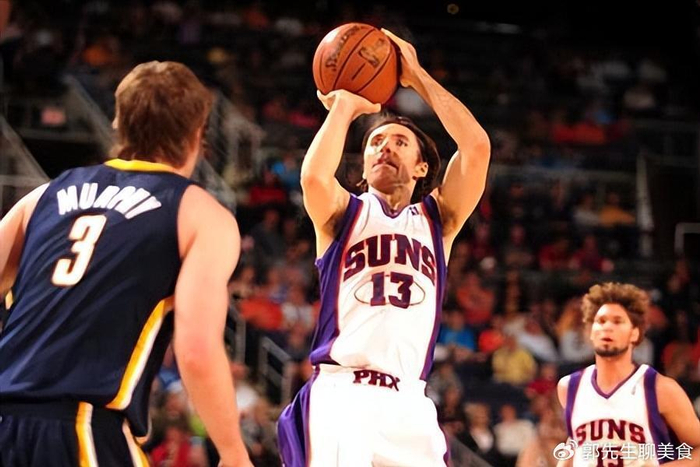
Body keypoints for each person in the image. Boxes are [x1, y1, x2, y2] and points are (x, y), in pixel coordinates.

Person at [0, 61, 252, 467]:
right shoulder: (200, 213)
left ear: (119, 123)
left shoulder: (43, 196)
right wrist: (232, 451)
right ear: (198, 133)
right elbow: (196, 350)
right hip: (80, 427)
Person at [277, 29, 491, 466]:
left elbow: (476, 147)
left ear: (422, 167)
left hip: (410, 400)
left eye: (399, 142)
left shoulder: (438, 221)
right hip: (343, 394)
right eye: (375, 142)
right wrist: (344, 106)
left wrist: (417, 77)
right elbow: (314, 178)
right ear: (363, 165)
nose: (384, 148)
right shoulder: (344, 213)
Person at [557, 282, 700, 467]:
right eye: (601, 321)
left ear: (635, 333)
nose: (607, 327)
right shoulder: (569, 387)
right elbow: (577, 441)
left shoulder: (660, 388)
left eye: (617, 321)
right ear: (590, 331)